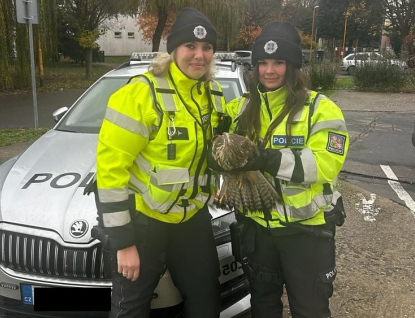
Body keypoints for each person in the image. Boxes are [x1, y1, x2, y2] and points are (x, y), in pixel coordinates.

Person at [210, 21, 349, 317]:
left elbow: (325, 165)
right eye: (262, 63)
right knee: (263, 307)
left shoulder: (320, 109)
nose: (269, 70)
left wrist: (269, 159)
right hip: (259, 231)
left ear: (294, 67)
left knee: (310, 310)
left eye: (278, 62)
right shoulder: (241, 107)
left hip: (306, 233)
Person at [95, 7, 226, 318]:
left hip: (192, 219)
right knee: (131, 309)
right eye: (190, 47)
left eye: (206, 47)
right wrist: (124, 243)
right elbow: (110, 172)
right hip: (144, 223)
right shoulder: (140, 94)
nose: (199, 55)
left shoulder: (215, 95)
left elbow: (219, 154)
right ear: (173, 50)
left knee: (206, 303)